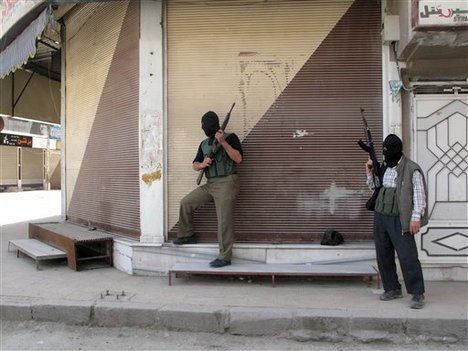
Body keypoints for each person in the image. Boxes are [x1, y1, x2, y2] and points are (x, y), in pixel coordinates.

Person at [173, 111, 243, 268]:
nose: (204, 127)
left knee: (224, 220)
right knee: (186, 202)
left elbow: (238, 159)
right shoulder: (204, 144)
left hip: (227, 182)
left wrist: (223, 142)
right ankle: (187, 235)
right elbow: (194, 165)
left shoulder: (230, 137)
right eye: (203, 124)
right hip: (210, 184)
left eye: (207, 123)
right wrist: (202, 164)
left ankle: (225, 257)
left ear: (216, 123)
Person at [365, 134, 428, 309]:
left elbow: (419, 195)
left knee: (408, 256)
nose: (386, 155)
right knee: (383, 255)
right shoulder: (384, 166)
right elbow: (374, 188)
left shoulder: (411, 169)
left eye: (389, 151)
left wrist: (416, 218)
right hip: (381, 216)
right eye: (383, 151)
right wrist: (370, 171)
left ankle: (417, 293)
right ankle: (392, 288)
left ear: (398, 150)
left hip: (401, 218)